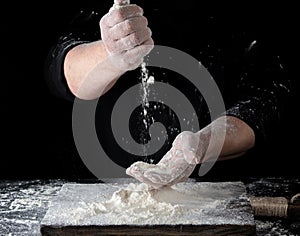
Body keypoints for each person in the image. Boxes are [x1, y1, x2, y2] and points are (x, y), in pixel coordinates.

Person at [44, 0, 292, 188]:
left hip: (214, 194)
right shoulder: (102, 7)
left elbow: (267, 95)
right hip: (102, 194)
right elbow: (61, 70)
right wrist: (110, 56)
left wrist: (204, 143)